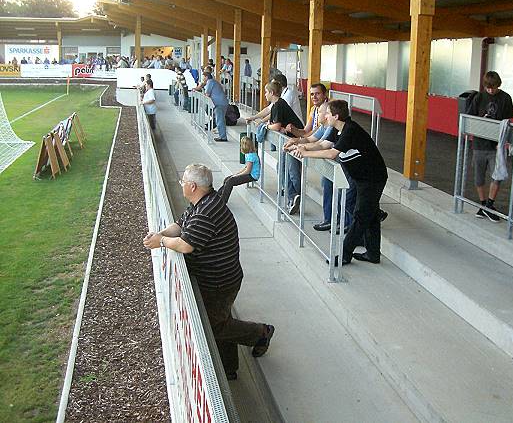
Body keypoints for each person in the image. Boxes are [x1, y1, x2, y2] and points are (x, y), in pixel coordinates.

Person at [143, 164, 275, 380]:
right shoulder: (202, 203)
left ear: (192, 186)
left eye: (183, 182)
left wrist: (162, 242)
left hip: (220, 282)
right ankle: (229, 368)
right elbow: (180, 225)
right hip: (217, 279)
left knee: (215, 327)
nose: (181, 185)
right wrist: (159, 234)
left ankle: (261, 333)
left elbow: (185, 245)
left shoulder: (207, 211)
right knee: (221, 321)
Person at [294, 100, 388, 265]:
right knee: (369, 216)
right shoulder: (336, 129)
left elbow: (331, 153)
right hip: (360, 178)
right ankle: (373, 254)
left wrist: (306, 154)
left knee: (360, 216)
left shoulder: (350, 130)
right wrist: (301, 148)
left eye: (328, 113)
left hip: (373, 178)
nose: (326, 116)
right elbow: (323, 144)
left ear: (336, 116)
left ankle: (345, 255)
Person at [466, 71, 513, 223]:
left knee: (497, 175)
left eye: (493, 87)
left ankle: (489, 204)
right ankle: (484, 204)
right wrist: (482, 120)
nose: (491, 90)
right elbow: (470, 117)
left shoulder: (505, 98)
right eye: (488, 88)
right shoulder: (479, 97)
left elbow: (507, 121)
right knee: (479, 176)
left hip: (496, 145)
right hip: (480, 144)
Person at [264, 80, 305, 213]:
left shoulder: (278, 104)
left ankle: (296, 196)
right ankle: (292, 196)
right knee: (281, 167)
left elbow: (275, 126)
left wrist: (267, 126)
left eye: (266, 92)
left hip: (295, 140)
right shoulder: (279, 104)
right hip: (289, 140)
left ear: (271, 93)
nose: (264, 95)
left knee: (292, 171)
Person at [218, 136, 260, 203]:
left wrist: (237, 176)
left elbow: (248, 171)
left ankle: (223, 201)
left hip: (252, 176)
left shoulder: (251, 156)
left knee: (230, 181)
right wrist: (236, 174)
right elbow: (245, 168)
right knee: (227, 179)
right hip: (249, 173)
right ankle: (218, 195)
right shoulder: (248, 154)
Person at [203, 71, 229, 141]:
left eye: (203, 77)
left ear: (206, 77)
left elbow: (207, 94)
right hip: (222, 103)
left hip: (219, 104)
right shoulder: (214, 81)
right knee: (218, 119)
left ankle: (223, 137)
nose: (203, 78)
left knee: (219, 120)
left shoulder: (210, 82)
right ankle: (221, 134)